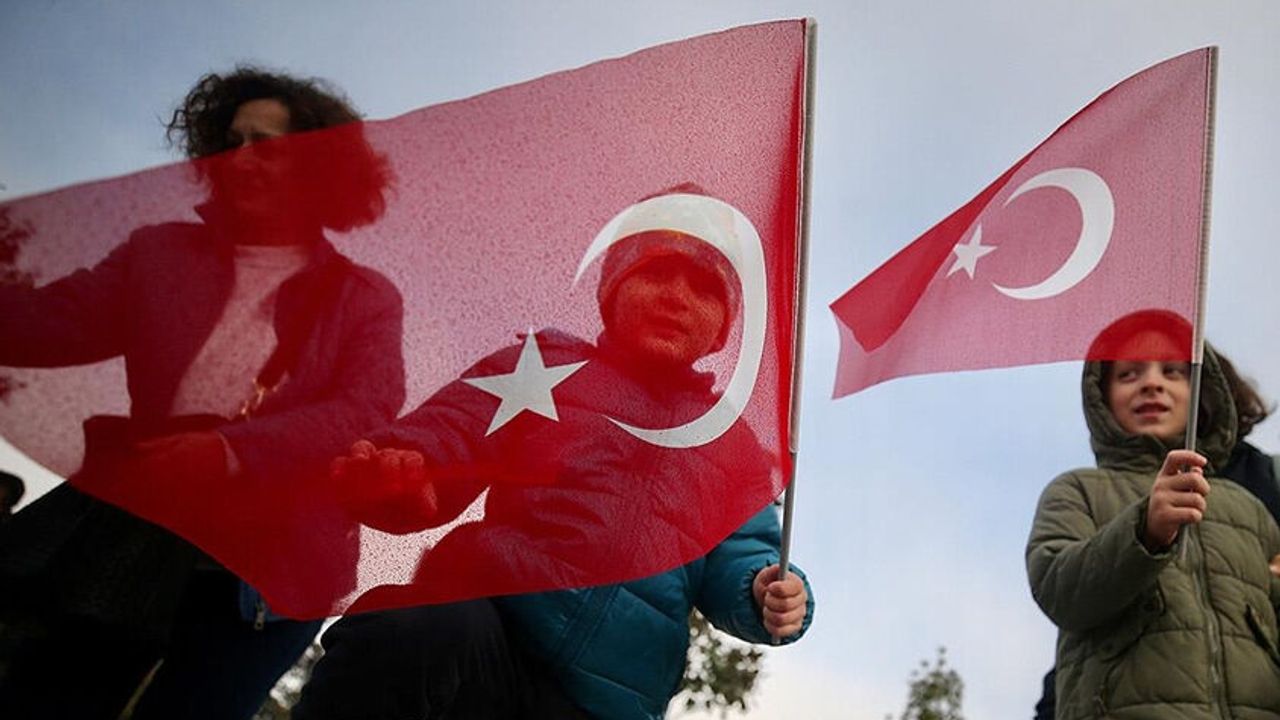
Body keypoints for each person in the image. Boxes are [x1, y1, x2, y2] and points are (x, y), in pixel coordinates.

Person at [292, 190, 813, 720]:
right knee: (409, 629)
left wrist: (762, 588)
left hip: (608, 699)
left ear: (723, 328)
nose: (676, 296)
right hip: (489, 633)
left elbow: (742, 554)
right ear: (612, 288)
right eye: (656, 272)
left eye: (704, 287)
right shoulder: (542, 368)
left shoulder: (730, 444)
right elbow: (449, 436)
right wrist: (404, 472)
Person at [0, 67, 404, 720]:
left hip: (270, 570)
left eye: (266, 145)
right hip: (133, 531)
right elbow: (48, 322)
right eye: (231, 141)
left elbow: (366, 409)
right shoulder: (157, 253)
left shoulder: (364, 297)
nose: (240, 159)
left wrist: (229, 451)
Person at [1026, 310, 1280, 719]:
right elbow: (1057, 588)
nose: (1151, 383)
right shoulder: (1076, 491)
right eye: (1129, 374)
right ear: (1101, 397)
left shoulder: (1248, 505)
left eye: (1172, 372)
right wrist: (1143, 531)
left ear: (1201, 393)